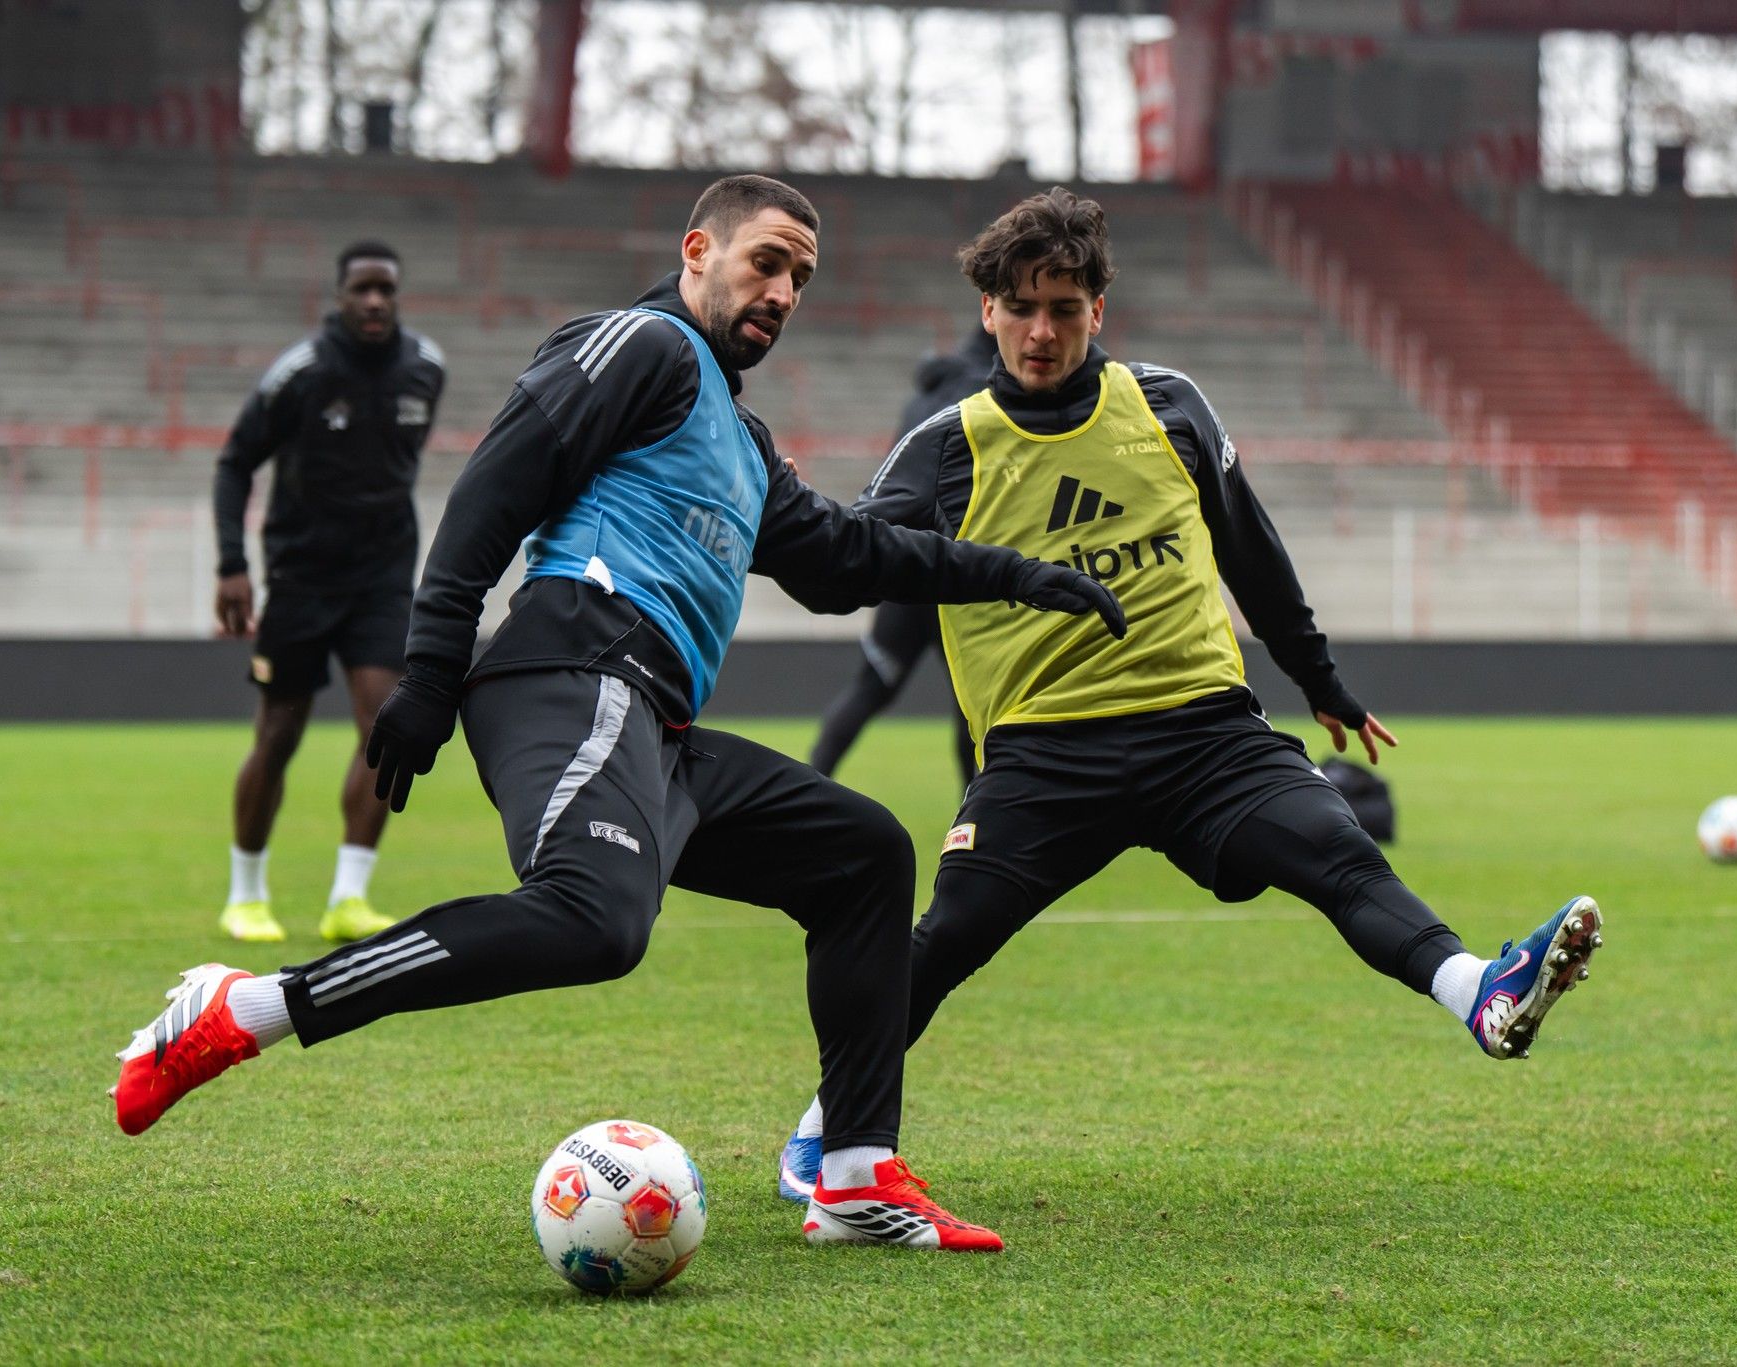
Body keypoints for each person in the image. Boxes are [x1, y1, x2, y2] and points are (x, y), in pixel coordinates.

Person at [113, 175, 1127, 1253]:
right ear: (698, 250)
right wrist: (427, 668)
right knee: (596, 920)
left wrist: (1014, 573)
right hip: (573, 671)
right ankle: (242, 1008)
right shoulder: (639, 346)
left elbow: (843, 559)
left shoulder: (740, 440)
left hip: (657, 727)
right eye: (766, 261)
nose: (782, 290)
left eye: (801, 277)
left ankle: (853, 1174)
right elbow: (493, 488)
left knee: (862, 851)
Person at [774, 188, 1604, 1204]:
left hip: (1204, 733)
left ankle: (1481, 990)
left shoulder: (1168, 405)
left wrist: (1319, 681)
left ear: (1098, 312)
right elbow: (843, 562)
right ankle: (826, 1128)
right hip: (1045, 754)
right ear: (987, 310)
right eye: (1022, 307)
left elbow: (1250, 548)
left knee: (1338, 852)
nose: (1043, 331)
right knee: (943, 942)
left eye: (1066, 308)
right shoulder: (946, 447)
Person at [211, 241, 446, 946]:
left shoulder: (426, 369)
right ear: (339, 296)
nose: (374, 302)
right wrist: (232, 562)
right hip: (302, 577)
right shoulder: (302, 373)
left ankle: (349, 895)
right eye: (361, 290)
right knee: (278, 733)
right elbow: (234, 462)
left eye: (386, 290)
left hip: (381, 578)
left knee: (385, 731)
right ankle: (245, 894)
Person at [807, 326, 996, 787]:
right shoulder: (986, 396)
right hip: (957, 574)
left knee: (868, 690)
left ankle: (809, 788)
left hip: (906, 568)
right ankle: (974, 823)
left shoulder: (925, 396)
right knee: (971, 712)